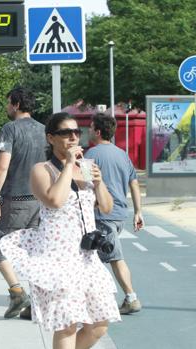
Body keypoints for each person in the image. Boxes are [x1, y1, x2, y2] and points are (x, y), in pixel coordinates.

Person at [0, 112, 121, 349]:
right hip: (58, 259)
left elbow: (106, 207)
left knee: (99, 324)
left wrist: (98, 181)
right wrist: (67, 166)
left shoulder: (86, 168)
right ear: (51, 138)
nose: (73, 137)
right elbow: (54, 200)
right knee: (66, 325)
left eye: (77, 132)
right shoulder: (42, 170)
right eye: (66, 133)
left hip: (87, 259)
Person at [0, 86, 46, 319]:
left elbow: (2, 166)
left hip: (16, 199)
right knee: (33, 252)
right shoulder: (44, 130)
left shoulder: (10, 129)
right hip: (41, 200)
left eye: (9, 102)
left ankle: (17, 293)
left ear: (17, 104)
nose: (7, 106)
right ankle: (37, 304)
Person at [85, 113, 144, 315]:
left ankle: (131, 297)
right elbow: (134, 184)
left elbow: (84, 185)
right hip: (119, 215)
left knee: (114, 256)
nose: (88, 131)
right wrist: (138, 211)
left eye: (91, 127)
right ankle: (93, 297)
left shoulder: (91, 155)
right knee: (95, 257)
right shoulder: (122, 154)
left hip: (102, 215)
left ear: (98, 131)